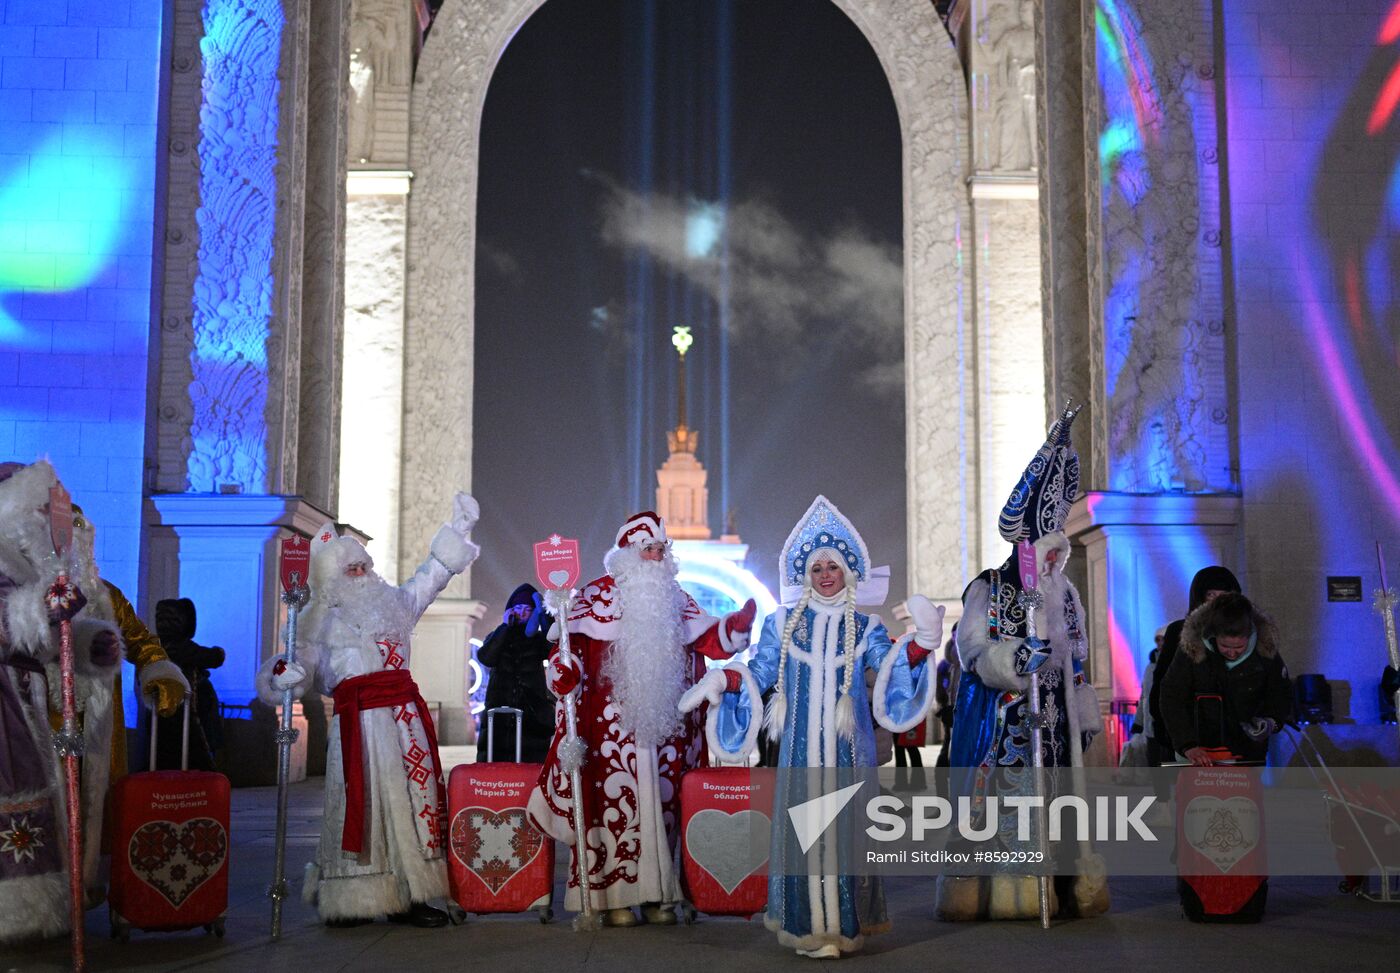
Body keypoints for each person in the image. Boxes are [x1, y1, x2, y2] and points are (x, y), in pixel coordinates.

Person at [697, 496, 942, 959]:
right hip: (799, 753)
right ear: (805, 575)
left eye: (832, 566)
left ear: (846, 571)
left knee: (844, 834)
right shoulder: (782, 623)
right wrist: (723, 678)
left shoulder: (865, 627)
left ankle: (842, 927)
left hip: (849, 752)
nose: (825, 575)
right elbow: (761, 673)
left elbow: (889, 667)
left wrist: (922, 643)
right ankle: (809, 928)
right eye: (816, 568)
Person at [258, 492, 480, 928]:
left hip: (404, 723)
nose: (360, 573)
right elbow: (299, 665)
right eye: (350, 568)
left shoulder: (397, 603)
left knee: (416, 804)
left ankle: (413, 894)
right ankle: (352, 895)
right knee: (358, 806)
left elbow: (431, 577)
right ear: (332, 576)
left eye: (363, 565)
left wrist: (458, 532)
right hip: (356, 724)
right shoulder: (316, 622)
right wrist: (285, 675)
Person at [527, 511, 756, 927]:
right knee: (608, 811)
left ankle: (658, 896)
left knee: (668, 810)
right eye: (647, 549)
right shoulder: (594, 599)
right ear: (628, 555)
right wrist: (563, 674)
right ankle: (613, 898)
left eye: (660, 549)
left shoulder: (678, 598)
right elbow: (570, 656)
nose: (655, 556)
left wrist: (734, 629)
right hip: (608, 732)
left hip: (667, 727)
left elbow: (708, 638)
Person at [937, 404, 1105, 922]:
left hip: (1055, 719)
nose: (1052, 560)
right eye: (1044, 549)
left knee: (1057, 804)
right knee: (1008, 806)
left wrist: (1081, 708)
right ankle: (1007, 893)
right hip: (1004, 719)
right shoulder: (991, 587)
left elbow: (1075, 659)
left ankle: (1062, 885)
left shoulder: (1067, 594)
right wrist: (1013, 657)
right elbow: (972, 650)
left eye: (1058, 551)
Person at [1160, 592, 1292, 765]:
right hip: (1201, 753)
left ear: (1250, 636)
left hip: (1247, 753)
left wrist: (1270, 723)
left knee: (1245, 793)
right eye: (1225, 646)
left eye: (1239, 647)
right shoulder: (1193, 651)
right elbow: (1172, 696)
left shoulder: (1265, 652)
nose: (1232, 652)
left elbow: (1280, 693)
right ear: (1214, 636)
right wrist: (1187, 744)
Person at [1148, 566, 1241, 765]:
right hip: (1191, 736)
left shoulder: (1248, 631)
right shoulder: (1179, 632)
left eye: (1224, 595)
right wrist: (1169, 733)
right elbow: (1164, 686)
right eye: (1211, 595)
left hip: (1235, 737)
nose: (1217, 602)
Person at [474, 583, 554, 763]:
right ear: (510, 609)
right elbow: (486, 657)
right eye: (518, 607)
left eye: (528, 609)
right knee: (495, 764)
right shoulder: (498, 634)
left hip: (532, 713)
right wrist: (504, 627)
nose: (522, 612)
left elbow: (554, 647)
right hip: (498, 712)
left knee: (530, 766)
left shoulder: (538, 639)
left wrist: (543, 614)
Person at [153, 597, 227, 771]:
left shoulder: (154, 646)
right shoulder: (182, 647)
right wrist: (220, 652)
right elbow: (214, 658)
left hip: (163, 711)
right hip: (189, 712)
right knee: (197, 754)